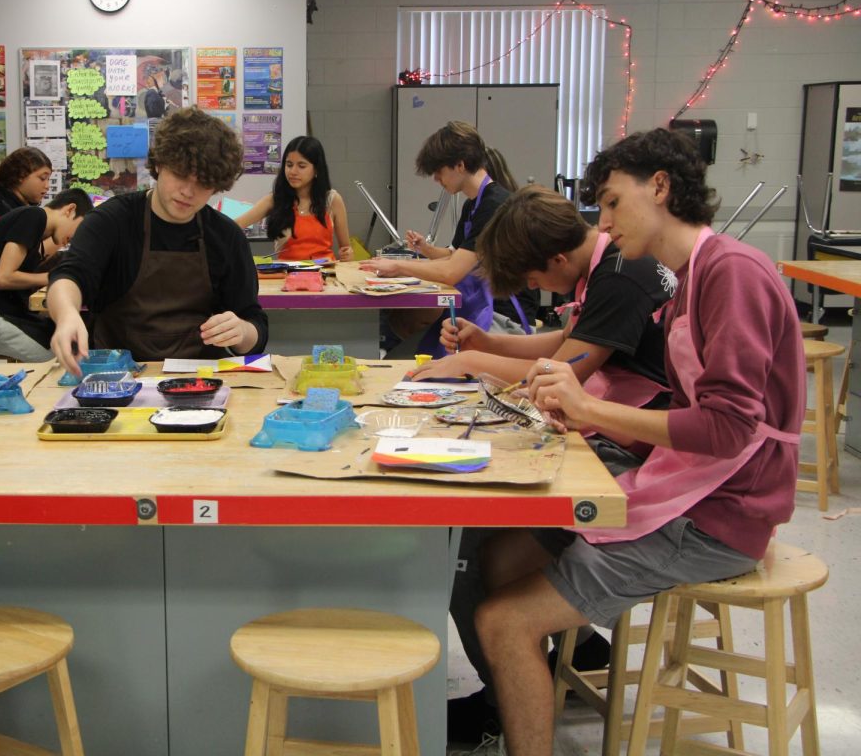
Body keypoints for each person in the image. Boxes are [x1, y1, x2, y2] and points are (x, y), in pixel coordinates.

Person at [474, 128, 804, 756]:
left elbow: (728, 427)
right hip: (694, 487)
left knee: (502, 621)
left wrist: (591, 408)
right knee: (501, 560)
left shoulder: (730, 273)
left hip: (721, 515)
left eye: (613, 202)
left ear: (660, 187)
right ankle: (523, 705)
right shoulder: (689, 275)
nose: (604, 222)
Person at [410, 185, 676, 744]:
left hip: (637, 455)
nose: (535, 290)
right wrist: (491, 344)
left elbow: (565, 370)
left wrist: (469, 358)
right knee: (488, 558)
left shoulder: (624, 274)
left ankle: (518, 676)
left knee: (481, 559)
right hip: (622, 437)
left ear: (556, 260)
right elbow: (570, 340)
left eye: (533, 282)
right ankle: (522, 676)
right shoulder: (604, 268)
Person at [47, 107, 268, 374]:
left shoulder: (226, 237)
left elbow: (254, 326)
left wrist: (242, 332)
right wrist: (67, 314)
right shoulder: (111, 221)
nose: (188, 191)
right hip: (117, 379)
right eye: (180, 174)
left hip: (200, 380)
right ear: (160, 164)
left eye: (203, 183)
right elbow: (68, 276)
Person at [361, 123, 537, 351]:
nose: (436, 179)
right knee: (407, 328)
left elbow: (451, 272)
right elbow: (455, 256)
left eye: (439, 171)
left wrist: (398, 267)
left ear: (460, 165)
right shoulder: (475, 203)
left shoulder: (494, 205)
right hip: (484, 308)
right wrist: (419, 255)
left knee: (419, 355)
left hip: (505, 318)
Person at [0, 188, 93, 362]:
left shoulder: (36, 229)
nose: (75, 238)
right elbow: (3, 278)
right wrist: (56, 279)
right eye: (80, 228)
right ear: (70, 210)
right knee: (58, 356)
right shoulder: (34, 216)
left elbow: (53, 250)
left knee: (67, 338)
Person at [235, 135, 352, 261]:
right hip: (286, 275)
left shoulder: (332, 200)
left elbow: (346, 248)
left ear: (317, 169)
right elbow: (235, 225)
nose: (293, 172)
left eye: (301, 166)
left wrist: (348, 254)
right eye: (289, 165)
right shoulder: (274, 200)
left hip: (324, 276)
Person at [0, 146, 52, 236]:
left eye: (48, 179)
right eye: (43, 178)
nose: (47, 186)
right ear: (21, 175)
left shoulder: (15, 206)